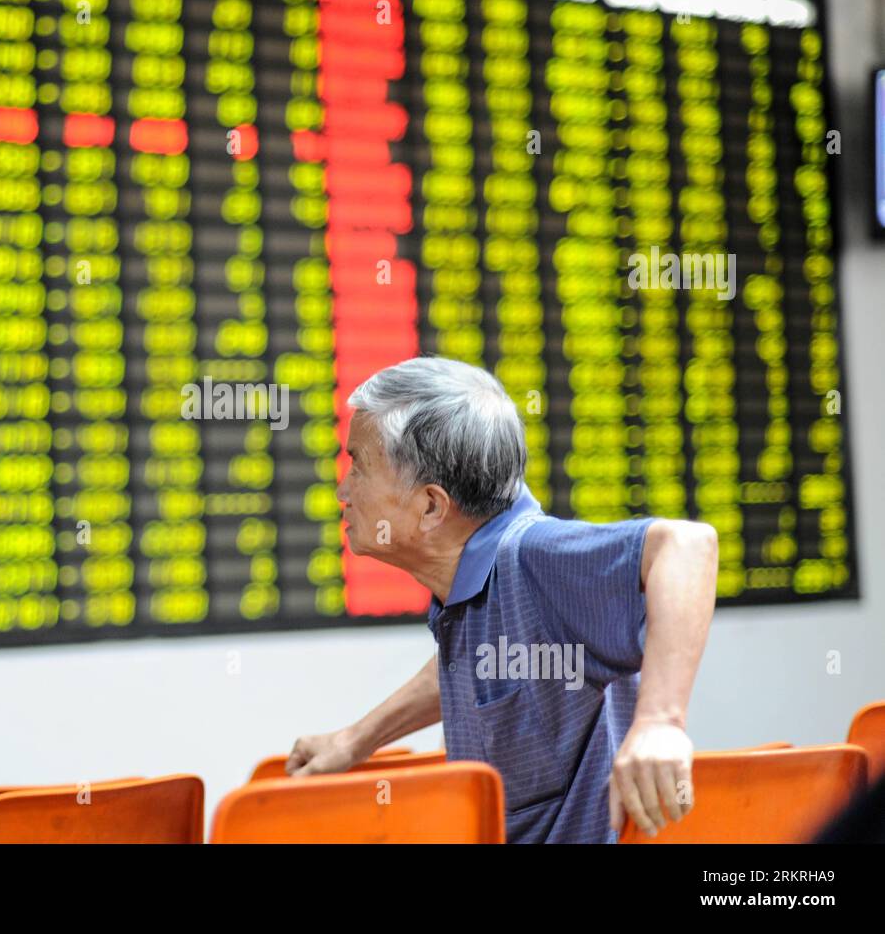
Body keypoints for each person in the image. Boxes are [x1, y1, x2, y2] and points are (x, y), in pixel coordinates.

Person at [286, 356, 718, 842]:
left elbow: (687, 547)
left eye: (359, 466)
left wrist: (661, 722)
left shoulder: (536, 556)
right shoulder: (471, 583)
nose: (343, 490)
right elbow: (485, 666)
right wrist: (356, 740)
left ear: (431, 505)